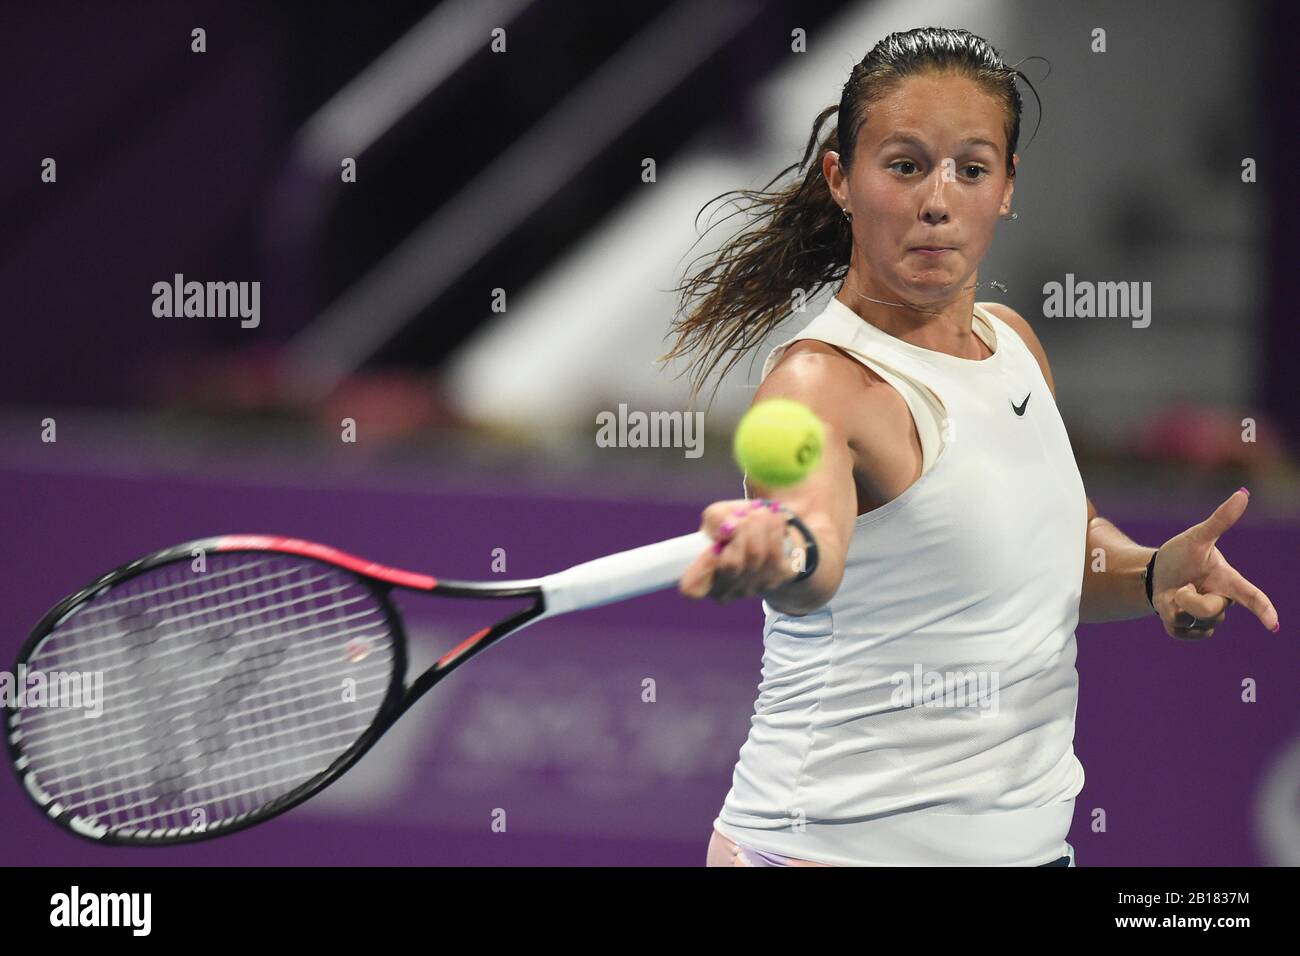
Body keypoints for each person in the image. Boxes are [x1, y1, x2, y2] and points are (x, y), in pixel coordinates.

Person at [660, 26, 1280, 867]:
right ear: (843, 178)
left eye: (973, 168)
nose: (939, 201)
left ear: (1008, 186)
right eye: (906, 165)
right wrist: (782, 554)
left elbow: (1059, 547)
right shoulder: (821, 383)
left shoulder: (1015, 345)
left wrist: (1152, 569)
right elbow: (817, 550)